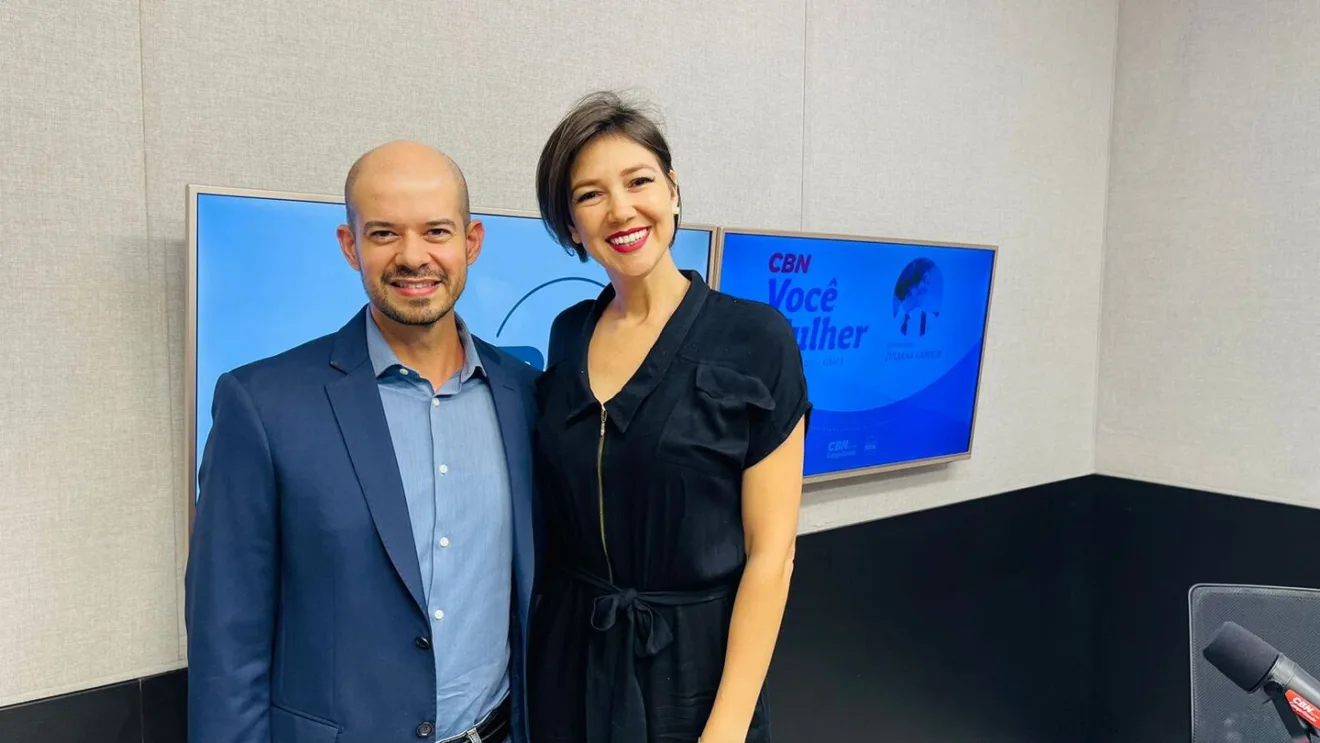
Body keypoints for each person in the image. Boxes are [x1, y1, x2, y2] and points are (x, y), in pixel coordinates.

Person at [184, 140, 538, 743]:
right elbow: (227, 638)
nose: (413, 256)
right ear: (350, 246)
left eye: (436, 231)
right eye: (383, 234)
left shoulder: (527, 396)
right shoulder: (264, 404)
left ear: (471, 242)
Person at [528, 92, 810, 743]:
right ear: (572, 224)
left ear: (674, 190)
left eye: (639, 181)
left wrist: (728, 728)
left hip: (694, 668)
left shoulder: (756, 337)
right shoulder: (569, 333)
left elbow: (773, 555)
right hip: (572, 657)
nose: (621, 209)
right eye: (590, 195)